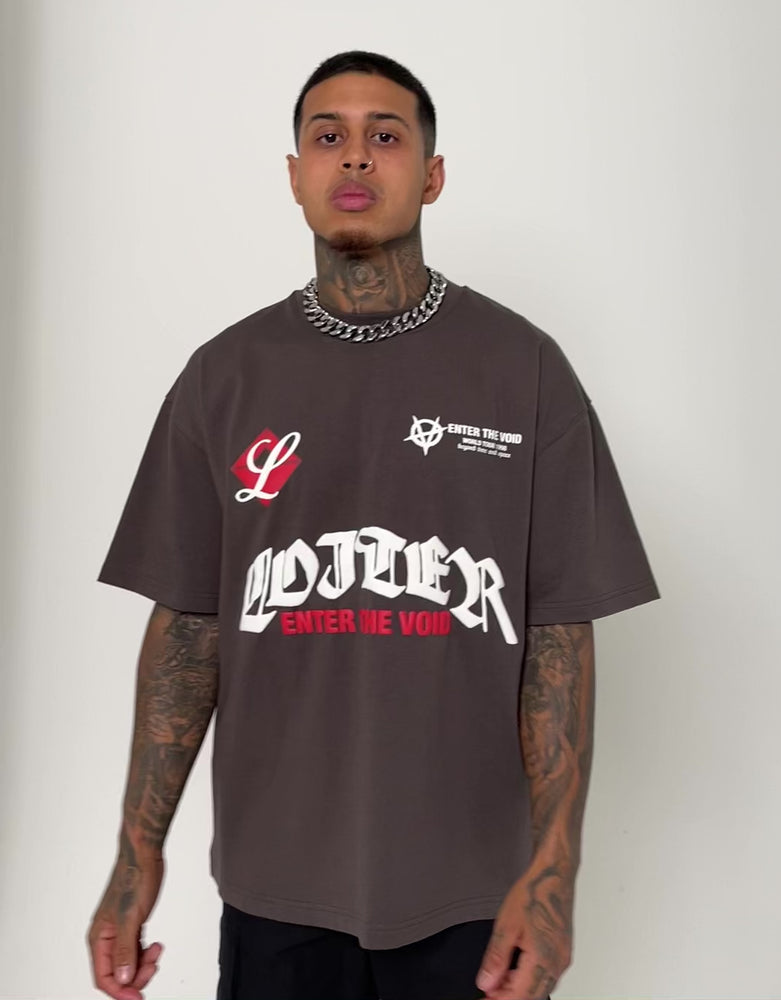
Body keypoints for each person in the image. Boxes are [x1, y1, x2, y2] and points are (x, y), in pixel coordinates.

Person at [85, 50, 659, 1000]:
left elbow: (559, 639)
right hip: (274, 890)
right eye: (329, 137)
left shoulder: (524, 371)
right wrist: (136, 851)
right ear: (296, 176)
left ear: (432, 174)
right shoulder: (223, 377)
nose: (354, 157)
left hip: (472, 895)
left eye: (384, 136)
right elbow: (190, 631)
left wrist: (554, 874)